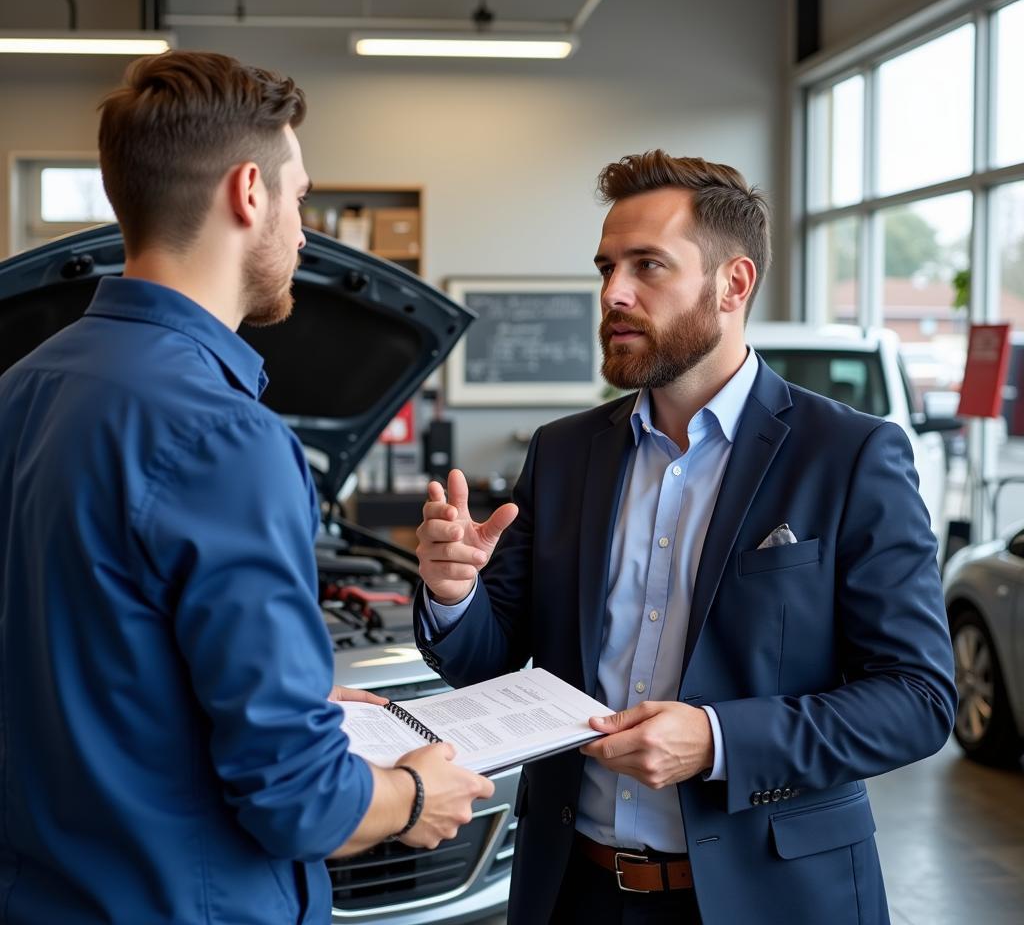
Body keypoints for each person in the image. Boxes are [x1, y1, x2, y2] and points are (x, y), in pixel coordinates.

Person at [0, 51, 492, 925]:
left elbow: (75, 660)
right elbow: (297, 801)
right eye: (301, 199)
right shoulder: (228, 436)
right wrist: (415, 795)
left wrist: (296, 699)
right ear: (249, 192)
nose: (305, 234)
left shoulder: (21, 388)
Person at [413, 151, 956, 925]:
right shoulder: (564, 451)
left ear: (734, 283)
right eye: (605, 267)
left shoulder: (849, 454)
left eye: (647, 267)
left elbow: (917, 698)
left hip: (771, 898)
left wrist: (717, 738)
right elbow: (491, 657)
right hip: (572, 890)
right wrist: (454, 593)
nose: (613, 293)